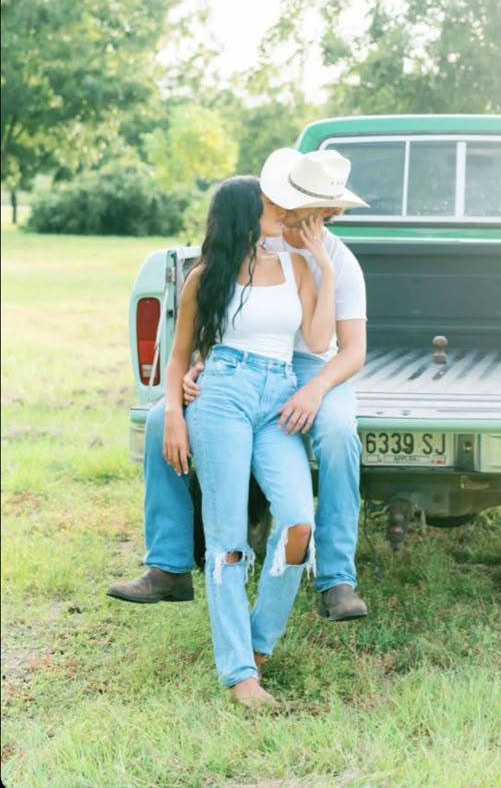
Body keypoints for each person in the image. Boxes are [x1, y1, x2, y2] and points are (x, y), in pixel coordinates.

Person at [107, 148, 370, 624]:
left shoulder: (338, 261)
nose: (291, 211)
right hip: (238, 366)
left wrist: (315, 390)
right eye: (289, 198)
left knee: (337, 436)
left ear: (328, 211)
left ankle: (336, 578)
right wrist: (202, 363)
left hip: (314, 367)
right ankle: (168, 565)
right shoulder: (256, 234)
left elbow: (350, 349)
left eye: (308, 205)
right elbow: (227, 312)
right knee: (156, 424)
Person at [152, 173, 334, 704]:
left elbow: (320, 339)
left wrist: (322, 262)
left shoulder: (297, 265)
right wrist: (173, 415)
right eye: (269, 202)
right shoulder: (205, 278)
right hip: (222, 395)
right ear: (243, 212)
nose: (280, 209)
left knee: (299, 520)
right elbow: (179, 355)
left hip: (278, 398)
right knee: (227, 537)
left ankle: (257, 644)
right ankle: (240, 676)